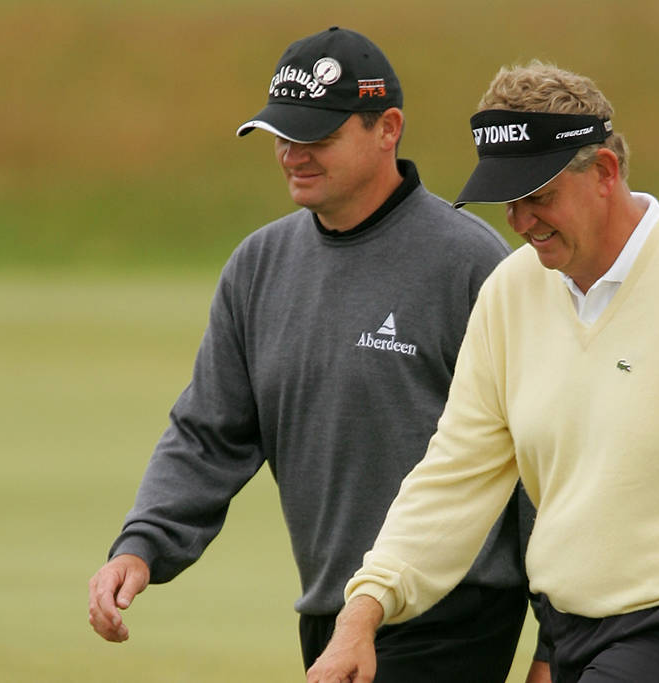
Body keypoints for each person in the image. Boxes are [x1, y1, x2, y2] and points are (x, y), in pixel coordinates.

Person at [308, 61, 659, 683]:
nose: (519, 222)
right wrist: (364, 610)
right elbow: (454, 474)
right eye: (508, 202)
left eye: (538, 197)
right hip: (572, 627)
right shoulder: (511, 293)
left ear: (604, 173)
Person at [86, 27, 535, 683]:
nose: (292, 153)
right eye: (281, 135)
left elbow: (536, 454)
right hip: (329, 608)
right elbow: (209, 433)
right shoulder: (258, 267)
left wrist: (556, 638)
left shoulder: (473, 265)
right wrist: (143, 544)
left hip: (453, 609)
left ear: (388, 128)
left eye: (316, 136)